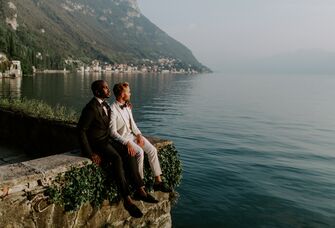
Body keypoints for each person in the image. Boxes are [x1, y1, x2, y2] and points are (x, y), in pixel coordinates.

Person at [77, 80, 158, 218]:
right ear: (97, 92)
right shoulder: (90, 108)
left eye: (108, 88)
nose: (108, 90)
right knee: (116, 159)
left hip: (108, 140)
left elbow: (114, 117)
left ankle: (140, 189)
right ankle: (127, 199)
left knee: (130, 152)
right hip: (98, 143)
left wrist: (127, 107)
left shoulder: (107, 106)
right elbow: (81, 131)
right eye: (105, 88)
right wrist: (90, 153)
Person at [110, 82, 172, 192]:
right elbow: (113, 132)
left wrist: (138, 134)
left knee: (152, 150)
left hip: (133, 136)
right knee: (139, 152)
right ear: (122, 94)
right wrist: (126, 143)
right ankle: (139, 185)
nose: (130, 93)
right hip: (124, 139)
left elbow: (132, 124)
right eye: (128, 92)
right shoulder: (113, 109)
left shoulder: (127, 106)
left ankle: (158, 181)